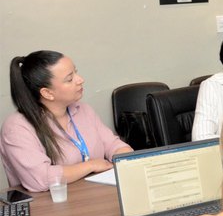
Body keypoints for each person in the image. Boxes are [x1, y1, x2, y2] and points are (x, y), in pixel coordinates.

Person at [0, 51, 132, 192]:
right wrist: (91, 165)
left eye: (76, 72)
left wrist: (125, 155)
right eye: (70, 79)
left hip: (93, 197)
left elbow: (112, 144)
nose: (80, 79)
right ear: (47, 93)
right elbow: (40, 179)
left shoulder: (83, 110)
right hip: (50, 206)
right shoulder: (17, 128)